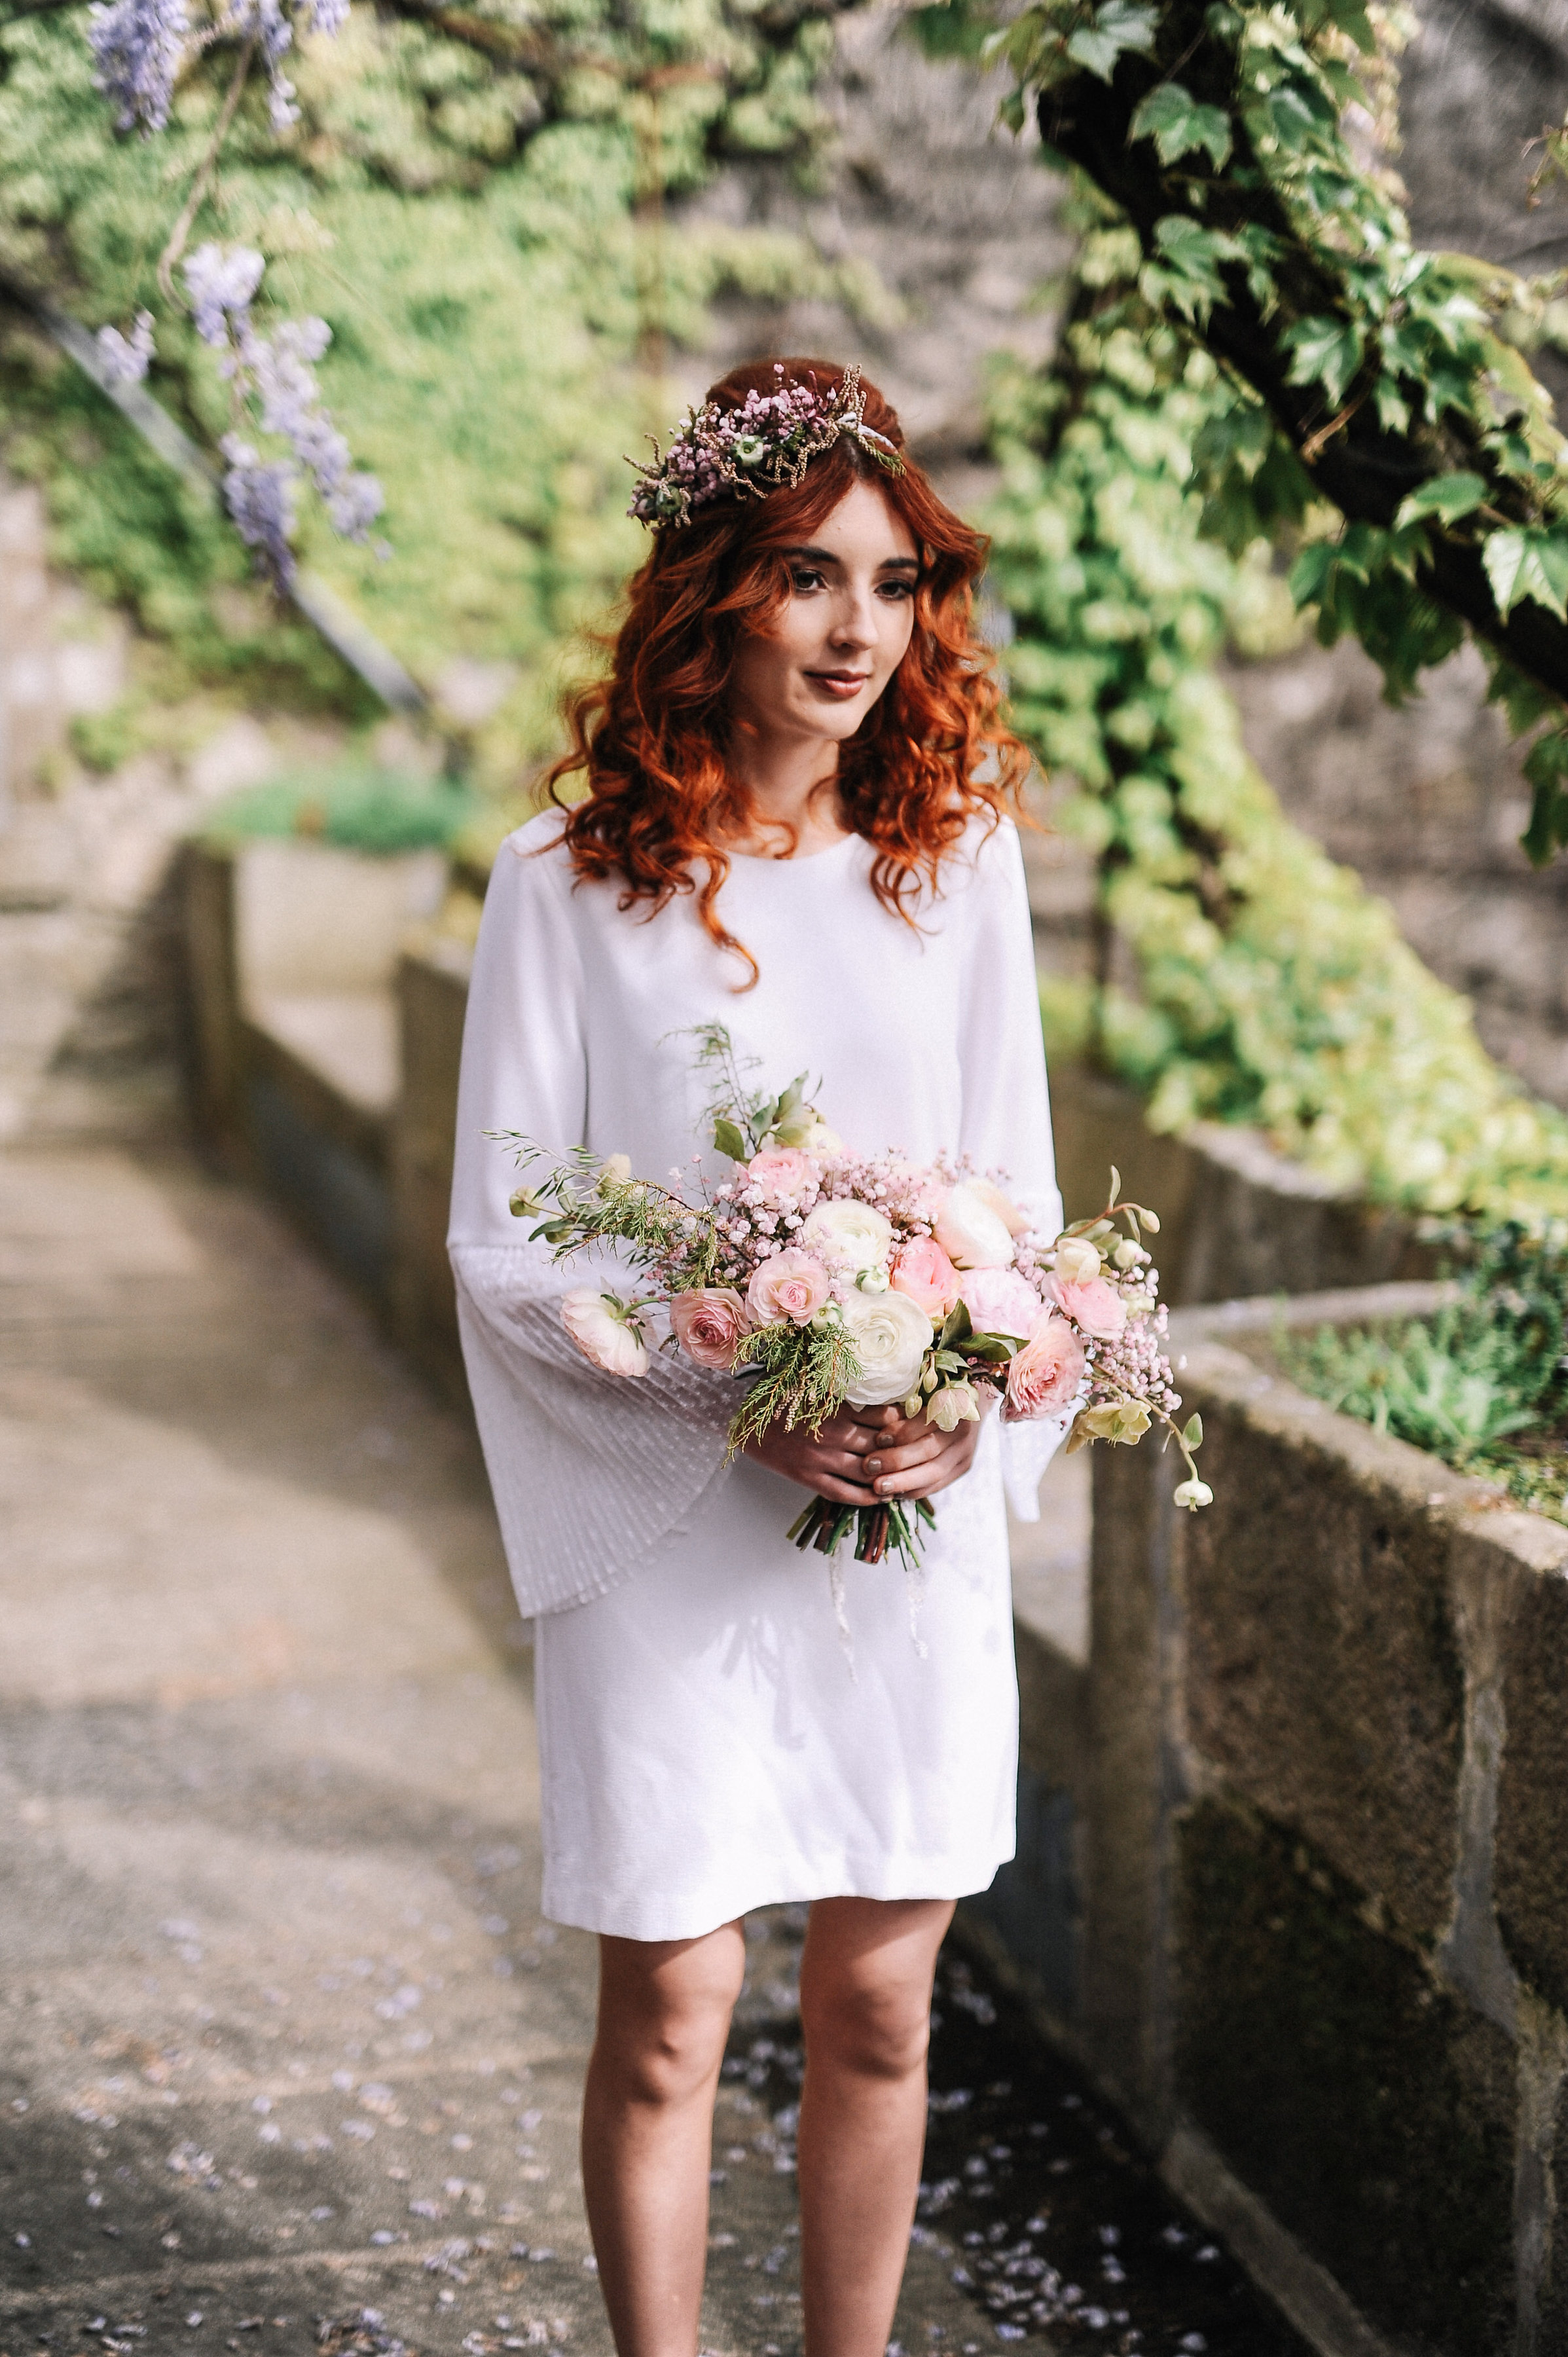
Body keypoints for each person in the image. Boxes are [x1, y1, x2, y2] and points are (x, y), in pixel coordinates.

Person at [447, 358, 1067, 2357]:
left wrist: (956, 1393)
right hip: (676, 1513)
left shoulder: (954, 867)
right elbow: (505, 1240)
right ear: (711, 593)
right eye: (806, 577)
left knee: (884, 1996)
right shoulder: (564, 889)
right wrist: (736, 1399)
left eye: (891, 585)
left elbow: (1019, 1206)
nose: (853, 630)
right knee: (675, 2009)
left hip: (908, 1503)